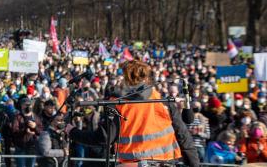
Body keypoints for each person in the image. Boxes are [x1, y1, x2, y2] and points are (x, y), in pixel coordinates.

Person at [65, 59, 200, 167]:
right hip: (166, 163)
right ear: (146, 78)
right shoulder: (162, 101)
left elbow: (103, 138)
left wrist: (72, 131)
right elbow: (183, 137)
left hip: (133, 164)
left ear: (126, 78)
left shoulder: (119, 105)